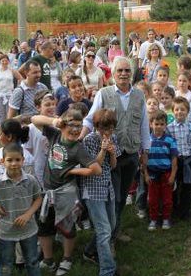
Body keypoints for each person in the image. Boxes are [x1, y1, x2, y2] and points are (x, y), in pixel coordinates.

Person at [81, 56, 151, 242]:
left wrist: (145, 152)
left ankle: (114, 231)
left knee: (122, 196)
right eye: (119, 70)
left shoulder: (139, 95)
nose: (123, 74)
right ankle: (106, 237)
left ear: (132, 73)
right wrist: (79, 138)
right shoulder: (103, 94)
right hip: (110, 157)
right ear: (112, 72)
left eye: (127, 70)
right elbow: (90, 119)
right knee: (113, 198)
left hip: (132, 154)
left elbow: (144, 125)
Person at [31, 110, 102, 275]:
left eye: (79, 126)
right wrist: (53, 121)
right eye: (72, 125)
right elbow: (35, 119)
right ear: (62, 124)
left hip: (66, 193)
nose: (76, 129)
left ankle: (67, 258)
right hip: (48, 191)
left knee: (67, 227)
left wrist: (72, 171)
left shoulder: (78, 148)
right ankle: (48, 259)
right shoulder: (54, 135)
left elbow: (96, 169)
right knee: (44, 226)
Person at [0, 143, 43, 276]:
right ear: (2, 162)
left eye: (17, 160)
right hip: (6, 231)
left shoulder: (30, 180)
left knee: (32, 261)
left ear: (23, 160)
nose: (14, 163)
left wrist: (28, 214)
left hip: (28, 229)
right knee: (5, 264)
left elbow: (38, 198)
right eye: (9, 160)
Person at [81, 109, 120, 276]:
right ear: (97, 127)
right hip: (93, 190)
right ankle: (107, 270)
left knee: (109, 227)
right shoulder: (89, 140)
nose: (107, 132)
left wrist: (111, 153)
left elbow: (113, 166)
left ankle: (89, 251)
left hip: (107, 187)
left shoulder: (114, 138)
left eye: (111, 128)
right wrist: (103, 150)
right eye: (104, 128)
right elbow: (94, 167)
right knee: (104, 231)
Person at [144, 110, 178, 231]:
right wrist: (146, 174)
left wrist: (173, 175)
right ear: (150, 124)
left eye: (162, 124)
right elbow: (144, 158)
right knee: (152, 199)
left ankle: (165, 218)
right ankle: (153, 219)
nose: (159, 126)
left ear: (165, 125)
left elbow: (174, 159)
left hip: (166, 173)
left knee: (167, 199)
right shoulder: (147, 140)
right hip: (152, 173)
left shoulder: (170, 140)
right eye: (156, 124)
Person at [166, 97, 191, 220]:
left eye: (182, 109)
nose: (179, 112)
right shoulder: (169, 128)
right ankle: (174, 209)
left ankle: (185, 211)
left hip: (188, 160)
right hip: (175, 161)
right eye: (176, 109)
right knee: (174, 185)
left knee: (187, 186)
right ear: (173, 111)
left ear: (187, 111)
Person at [0, 53, 22, 124]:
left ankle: (8, 128)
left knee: (9, 114)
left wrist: (17, 88)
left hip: (10, 95)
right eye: (2, 61)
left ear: (8, 61)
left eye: (6, 60)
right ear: (0, 61)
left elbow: (20, 78)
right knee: (0, 114)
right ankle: (0, 129)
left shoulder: (12, 70)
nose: (4, 62)